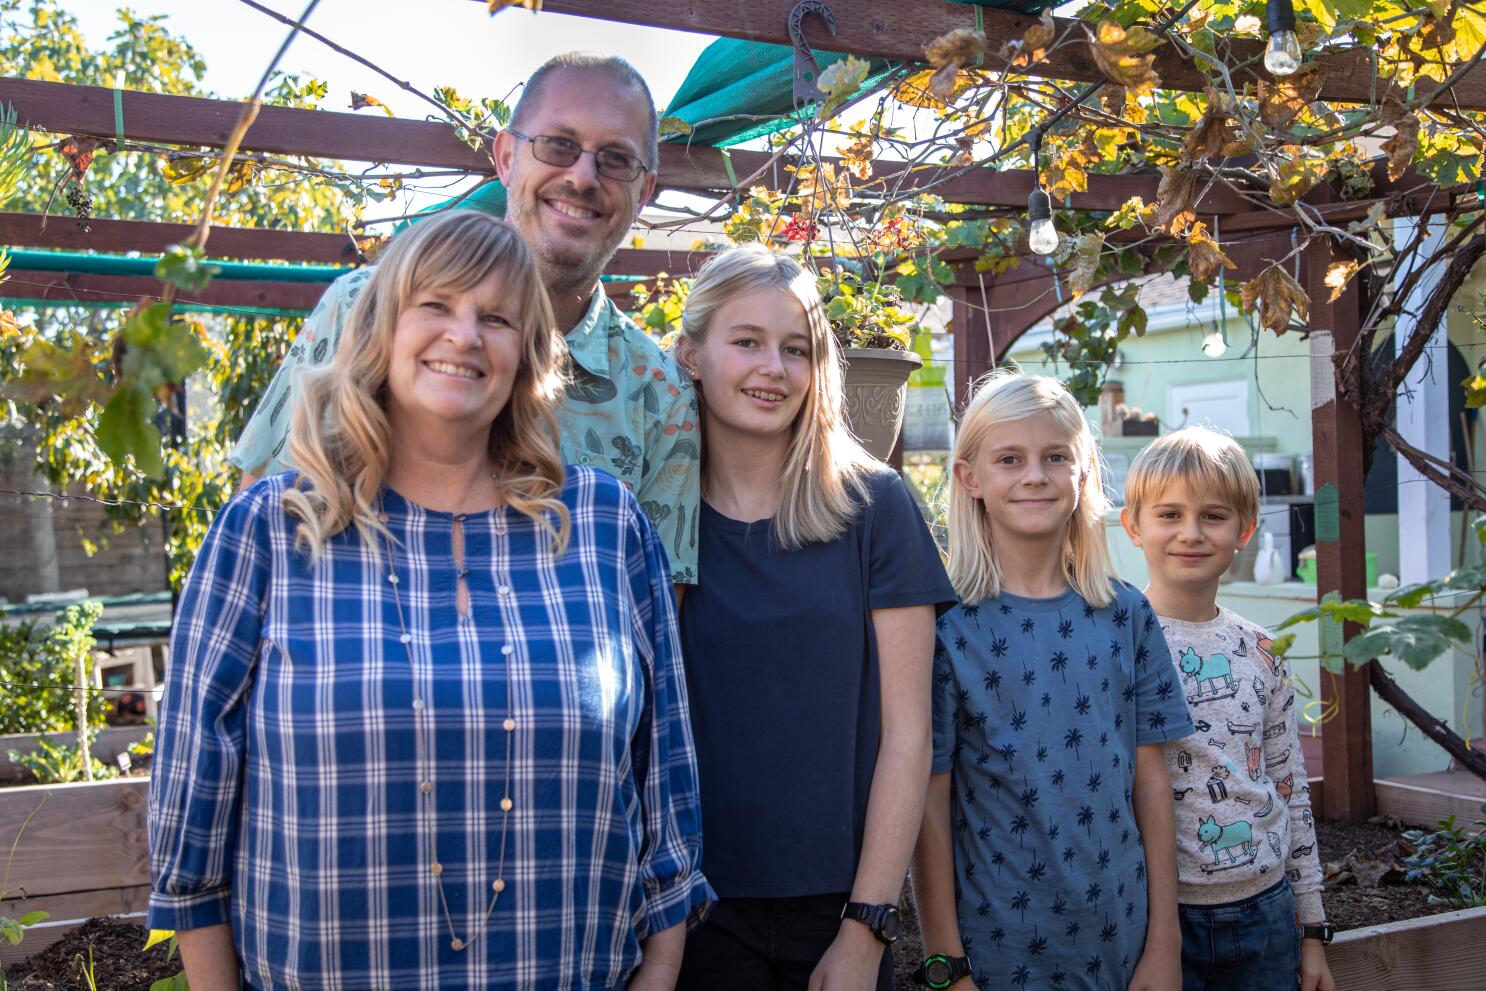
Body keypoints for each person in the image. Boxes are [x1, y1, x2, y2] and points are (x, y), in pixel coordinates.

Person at [147, 211, 713, 991]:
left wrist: (660, 974)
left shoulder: (606, 527)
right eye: (436, 305)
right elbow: (191, 802)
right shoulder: (271, 532)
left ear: (527, 355)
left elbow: (666, 782)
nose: (465, 335)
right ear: (382, 327)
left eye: (497, 317)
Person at [232, 53, 701, 586]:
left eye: (616, 159)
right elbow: (256, 542)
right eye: (558, 144)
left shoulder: (659, 395)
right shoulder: (364, 307)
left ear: (644, 192)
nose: (582, 176)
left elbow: (654, 623)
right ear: (506, 158)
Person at [667, 245, 955, 991]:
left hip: (840, 912)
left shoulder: (876, 507)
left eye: (796, 348)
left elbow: (908, 734)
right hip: (692, 915)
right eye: (748, 342)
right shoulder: (656, 515)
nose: (774, 368)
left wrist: (867, 929)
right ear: (691, 354)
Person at [912, 371, 1195, 991]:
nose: (1035, 475)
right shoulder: (944, 629)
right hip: (995, 955)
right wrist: (943, 962)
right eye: (1010, 459)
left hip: (1124, 943)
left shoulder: (1127, 615)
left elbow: (1153, 783)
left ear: (1083, 471)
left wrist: (1164, 944)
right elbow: (927, 805)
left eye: (1055, 457)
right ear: (971, 479)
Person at [1121, 427, 1334, 991]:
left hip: (1265, 912)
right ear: (1133, 526)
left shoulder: (1262, 651)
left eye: (1212, 516)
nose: (1190, 534)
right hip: (1155, 915)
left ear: (1244, 531)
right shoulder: (1114, 643)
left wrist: (1312, 926)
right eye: (1169, 514)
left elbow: (1289, 783)